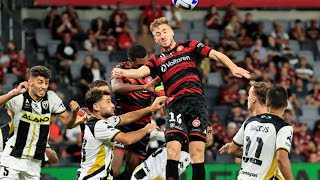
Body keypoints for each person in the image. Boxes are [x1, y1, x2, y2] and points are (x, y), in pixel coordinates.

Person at [113, 17, 250, 180]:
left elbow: (215, 54)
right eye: (158, 34)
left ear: (171, 32)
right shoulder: (156, 60)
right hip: (175, 107)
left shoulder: (189, 46)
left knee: (197, 154)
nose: (162, 35)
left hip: (196, 104)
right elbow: (140, 72)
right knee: (172, 151)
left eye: (164, 31)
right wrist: (122, 72)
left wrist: (233, 67)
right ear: (155, 39)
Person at [0, 65, 82, 179]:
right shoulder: (19, 95)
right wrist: (13, 93)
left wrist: (74, 113)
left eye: (46, 83)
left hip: (34, 161)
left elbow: (68, 124)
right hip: (13, 157)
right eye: (40, 82)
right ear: (30, 82)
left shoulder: (51, 98)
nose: (44, 86)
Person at [77, 89, 167, 180]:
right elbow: (127, 139)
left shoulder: (106, 121)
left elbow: (127, 117)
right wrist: (146, 130)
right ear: (96, 106)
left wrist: (151, 109)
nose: (112, 105)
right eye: (108, 102)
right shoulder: (99, 125)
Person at [111, 44, 161, 180]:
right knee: (113, 171)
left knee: (130, 172)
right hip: (122, 123)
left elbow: (161, 92)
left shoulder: (153, 70)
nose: (143, 69)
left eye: (145, 64)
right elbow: (116, 87)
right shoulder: (120, 69)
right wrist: (143, 87)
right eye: (139, 66)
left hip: (143, 126)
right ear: (130, 60)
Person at [228, 86, 294, 180]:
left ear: (267, 103)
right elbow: (282, 159)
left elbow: (232, 149)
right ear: (286, 104)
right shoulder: (284, 127)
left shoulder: (249, 121)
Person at [131, 126, 213, 180]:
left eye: (211, 132)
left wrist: (141, 139)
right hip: (147, 177)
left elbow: (155, 135)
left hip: (141, 171)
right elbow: (165, 176)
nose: (209, 136)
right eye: (207, 132)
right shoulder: (187, 152)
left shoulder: (177, 137)